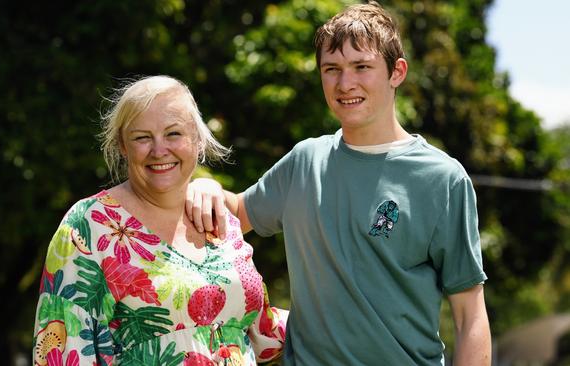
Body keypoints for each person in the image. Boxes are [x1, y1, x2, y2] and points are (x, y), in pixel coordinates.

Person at [186, 2, 491, 365]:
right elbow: (234, 213)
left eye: (362, 67)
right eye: (332, 69)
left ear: (397, 72)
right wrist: (205, 187)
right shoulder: (304, 162)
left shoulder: (443, 179)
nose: (345, 84)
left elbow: (469, 315)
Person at [32, 75, 287, 365]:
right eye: (142, 137)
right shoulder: (89, 225)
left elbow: (262, 330)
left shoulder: (219, 220)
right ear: (122, 146)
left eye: (173, 134)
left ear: (197, 139)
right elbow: (60, 351)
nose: (159, 150)